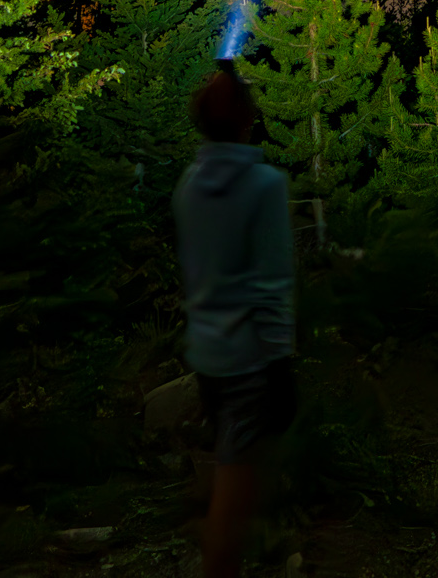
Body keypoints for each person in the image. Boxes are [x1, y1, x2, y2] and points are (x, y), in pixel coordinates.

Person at [173, 62, 297, 578]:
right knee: (235, 485)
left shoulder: (190, 182)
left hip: (206, 355)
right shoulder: (264, 185)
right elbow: (270, 284)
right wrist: (281, 362)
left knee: (237, 469)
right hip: (249, 360)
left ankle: (256, 544)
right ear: (248, 120)